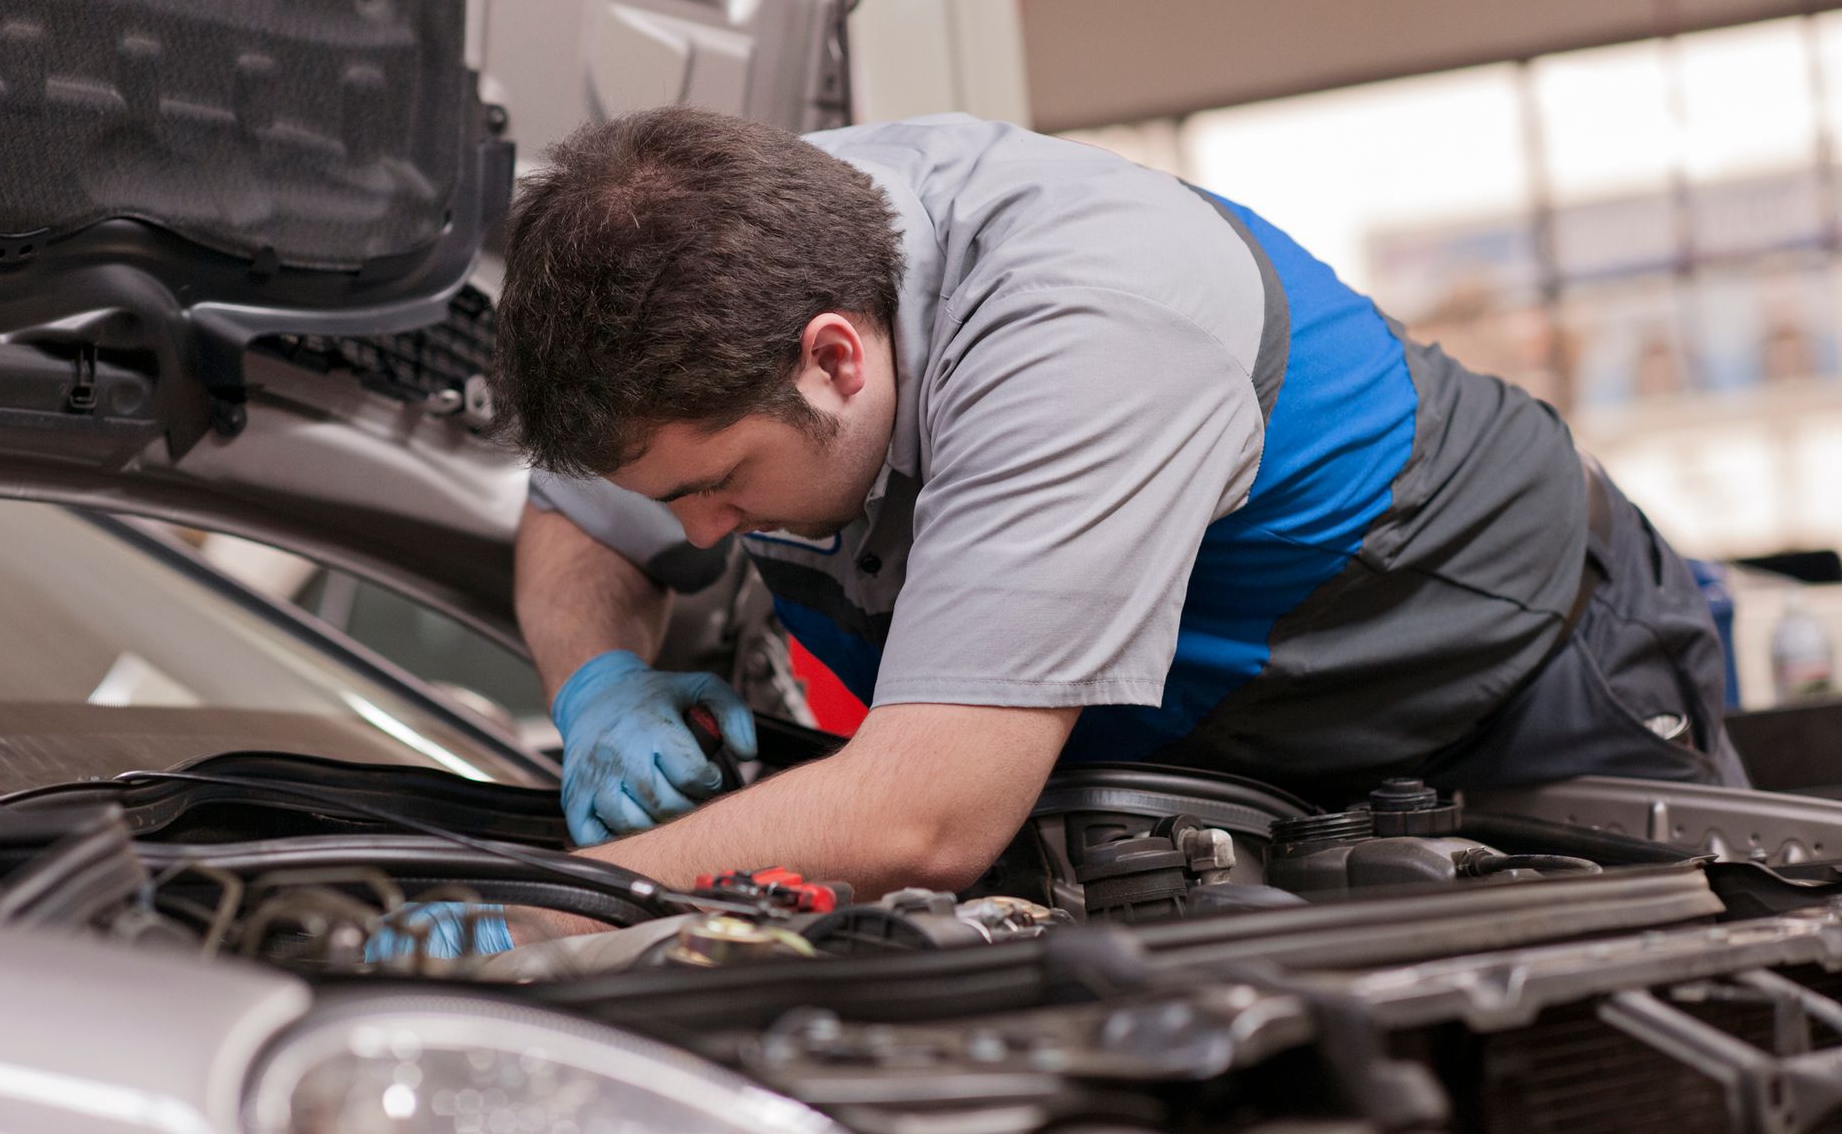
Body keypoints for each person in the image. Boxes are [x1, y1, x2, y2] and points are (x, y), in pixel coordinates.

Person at [482, 107, 1742, 932]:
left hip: (1513, 679)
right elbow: (581, 517)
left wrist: (565, 904)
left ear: (835, 361)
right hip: (1208, 773)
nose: (700, 537)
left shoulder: (1085, 329)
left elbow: (923, 815)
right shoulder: (684, 271)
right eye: (671, 500)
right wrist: (596, 678)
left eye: (724, 485)